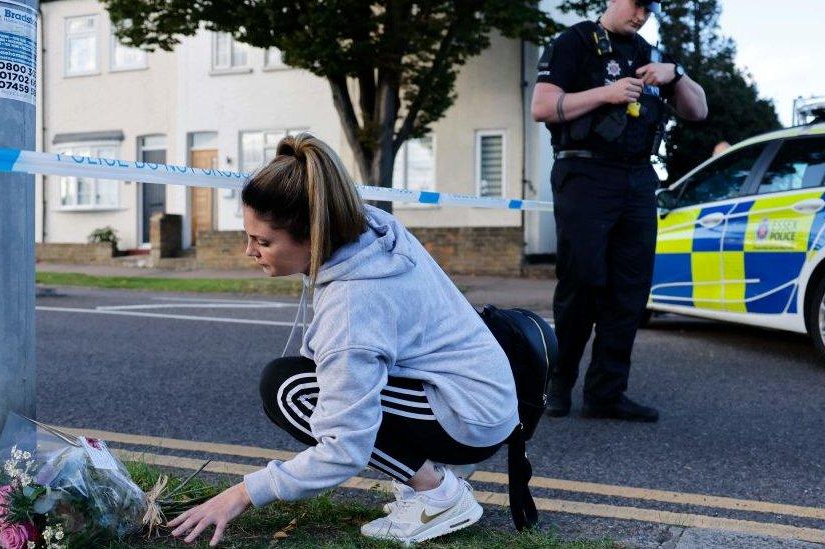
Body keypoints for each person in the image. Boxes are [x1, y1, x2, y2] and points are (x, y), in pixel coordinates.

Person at [167, 134, 521, 545]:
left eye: (263, 241)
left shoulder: (354, 304)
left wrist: (244, 493)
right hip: (482, 392)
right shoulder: (366, 228)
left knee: (290, 390)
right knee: (307, 379)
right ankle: (432, 471)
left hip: (470, 414)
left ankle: (438, 493)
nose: (250, 251)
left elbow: (344, 449)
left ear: (313, 237)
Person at [530, 0, 707, 422]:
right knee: (583, 282)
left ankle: (606, 393)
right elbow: (541, 106)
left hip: (638, 177)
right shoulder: (574, 42)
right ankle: (558, 384)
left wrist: (675, 73)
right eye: (635, 5)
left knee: (629, 289)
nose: (641, 15)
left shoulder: (649, 53)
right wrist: (606, 94)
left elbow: (697, 110)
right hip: (585, 172)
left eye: (649, 8)